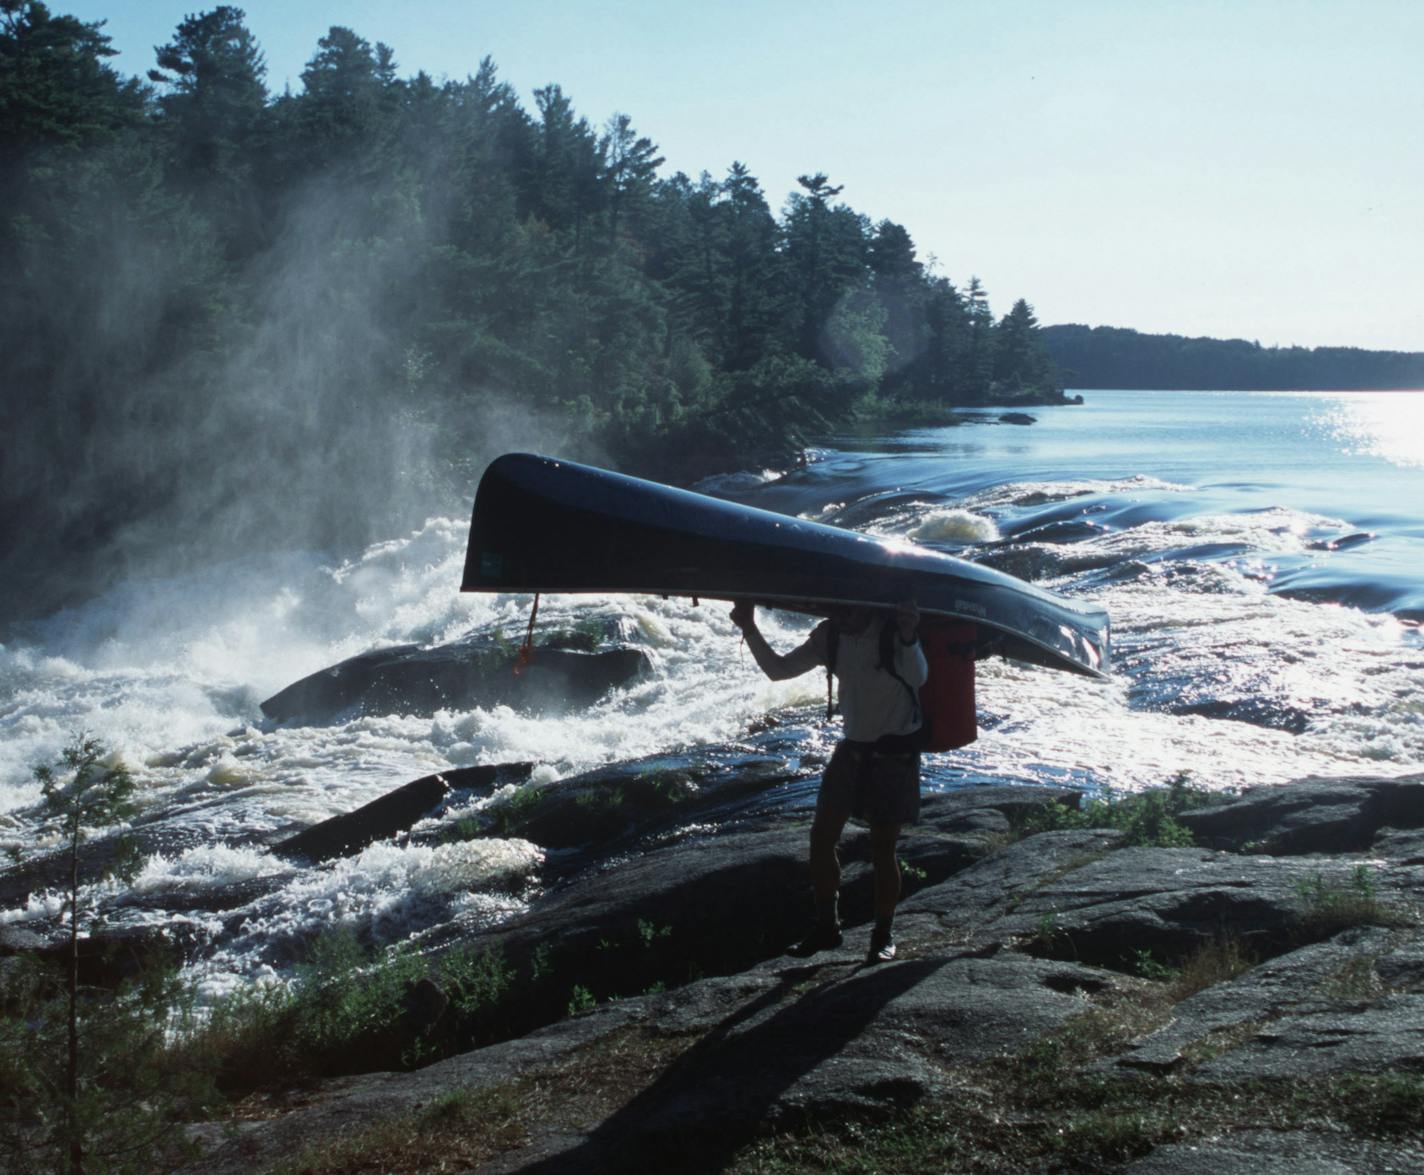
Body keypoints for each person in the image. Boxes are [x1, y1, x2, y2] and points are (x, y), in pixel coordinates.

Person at [729, 598, 927, 963]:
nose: (840, 617)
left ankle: (883, 935)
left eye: (846, 610)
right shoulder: (829, 635)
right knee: (821, 838)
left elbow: (919, 678)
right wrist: (749, 628)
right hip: (851, 750)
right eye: (833, 611)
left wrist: (910, 635)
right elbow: (778, 670)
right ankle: (827, 928)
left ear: (865, 605)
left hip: (894, 755)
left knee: (883, 849)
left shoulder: (892, 630)